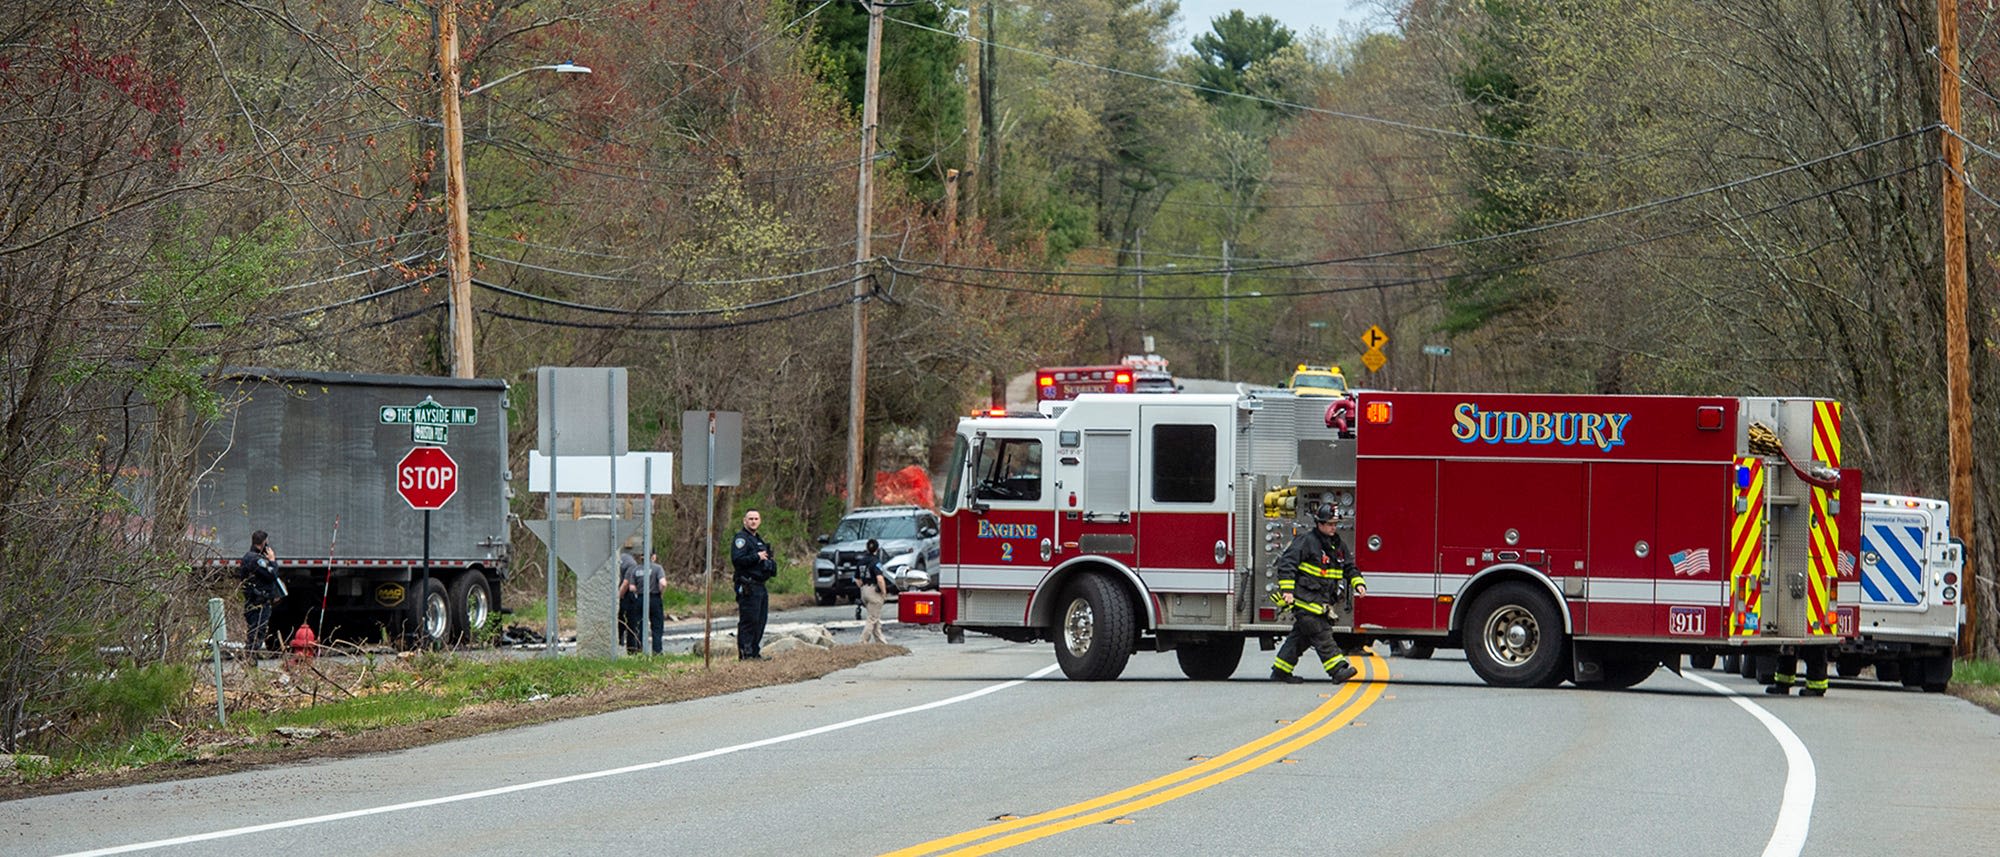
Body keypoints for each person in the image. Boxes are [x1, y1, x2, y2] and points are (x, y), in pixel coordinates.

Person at [1270, 506, 1366, 684]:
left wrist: (1358, 583)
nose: (1333, 528)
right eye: (1329, 524)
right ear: (1319, 523)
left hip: (1322, 602)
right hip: (1305, 601)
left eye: (1335, 524)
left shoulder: (1338, 545)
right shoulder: (1307, 541)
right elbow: (1287, 564)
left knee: (1300, 638)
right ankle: (1338, 670)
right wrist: (1288, 591)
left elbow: (1349, 567)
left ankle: (1280, 671)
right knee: (1321, 634)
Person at [730, 509, 776, 660]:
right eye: (750, 519)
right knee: (749, 621)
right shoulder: (741, 539)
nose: (753, 521)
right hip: (748, 585)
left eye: (756, 518)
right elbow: (737, 560)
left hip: (760, 585)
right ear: (745, 521)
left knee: (760, 621)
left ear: (760, 521)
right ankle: (746, 654)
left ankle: (755, 652)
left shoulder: (759, 540)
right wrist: (756, 556)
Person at [238, 530, 283, 658]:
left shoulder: (248, 557)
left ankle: (250, 659)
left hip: (252, 601)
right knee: (257, 632)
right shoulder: (255, 560)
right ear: (264, 543)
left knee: (254, 631)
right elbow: (272, 574)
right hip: (258, 603)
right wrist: (272, 560)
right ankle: (250, 660)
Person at [855, 538, 889, 644]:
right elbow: (880, 579)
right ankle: (862, 642)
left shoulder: (861, 562)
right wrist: (884, 592)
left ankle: (881, 642)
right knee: (872, 618)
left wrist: (862, 587)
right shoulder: (876, 562)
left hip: (864, 590)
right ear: (877, 549)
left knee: (875, 617)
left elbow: (857, 579)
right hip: (874, 591)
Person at [618, 543, 643, 654]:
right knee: (631, 624)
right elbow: (626, 583)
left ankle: (618, 644)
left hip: (616, 596)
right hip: (626, 597)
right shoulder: (631, 563)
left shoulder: (617, 558)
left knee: (618, 623)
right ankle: (632, 650)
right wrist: (619, 597)